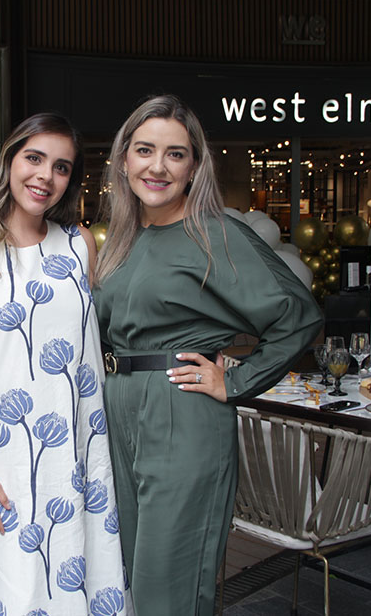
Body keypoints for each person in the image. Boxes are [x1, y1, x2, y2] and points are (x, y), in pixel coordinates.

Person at [94, 94, 323, 615]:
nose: (157, 166)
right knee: (128, 575)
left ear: (194, 166)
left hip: (182, 411)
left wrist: (236, 382)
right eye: (145, 150)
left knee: (166, 589)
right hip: (120, 413)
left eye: (175, 154)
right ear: (124, 158)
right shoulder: (123, 241)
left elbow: (299, 316)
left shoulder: (216, 233)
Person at [0, 113, 130, 615]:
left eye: (61, 166)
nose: (45, 175)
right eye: (34, 158)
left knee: (66, 580)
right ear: (10, 159)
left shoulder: (79, 243)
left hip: (72, 459)